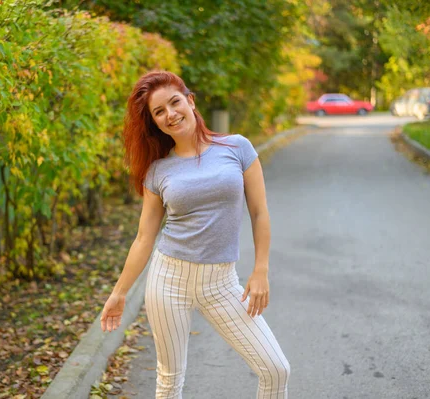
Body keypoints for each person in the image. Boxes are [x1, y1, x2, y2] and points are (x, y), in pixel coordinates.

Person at [100, 71, 290, 399]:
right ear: (155, 123)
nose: (170, 114)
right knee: (170, 381)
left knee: (275, 369)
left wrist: (261, 270)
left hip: (222, 283)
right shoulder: (159, 170)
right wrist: (119, 293)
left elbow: (259, 213)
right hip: (168, 279)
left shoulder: (237, 148)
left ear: (190, 100)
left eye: (174, 103)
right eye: (159, 112)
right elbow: (144, 237)